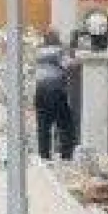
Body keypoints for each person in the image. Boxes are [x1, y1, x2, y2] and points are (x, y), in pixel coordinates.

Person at [34, 31, 76, 161]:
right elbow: (68, 64)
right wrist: (80, 59)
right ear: (56, 39)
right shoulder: (58, 51)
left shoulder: (39, 51)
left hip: (40, 90)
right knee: (65, 124)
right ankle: (67, 156)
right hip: (55, 90)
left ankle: (44, 156)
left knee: (43, 126)